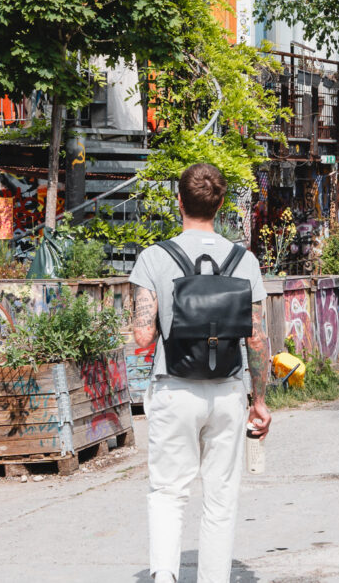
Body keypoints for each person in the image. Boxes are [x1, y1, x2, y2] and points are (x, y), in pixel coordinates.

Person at [130, 163, 272, 583]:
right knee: (221, 496)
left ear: (178, 201)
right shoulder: (243, 261)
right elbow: (258, 340)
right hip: (228, 390)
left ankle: (164, 576)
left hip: (174, 388)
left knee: (168, 491)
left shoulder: (154, 258)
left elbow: (141, 336)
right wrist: (259, 401)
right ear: (221, 205)